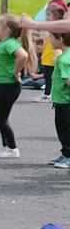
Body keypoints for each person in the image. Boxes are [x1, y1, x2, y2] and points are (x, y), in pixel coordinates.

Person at [0, 14, 36, 160]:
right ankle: (6, 147)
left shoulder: (10, 43)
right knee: (0, 118)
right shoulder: (5, 43)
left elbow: (23, 55)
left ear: (7, 30)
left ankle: (12, 148)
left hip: (7, 86)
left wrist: (15, 71)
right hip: (2, 85)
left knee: (1, 118)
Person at [33, 4, 66, 103]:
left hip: (52, 59)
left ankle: (48, 94)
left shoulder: (57, 29)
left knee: (49, 78)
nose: (46, 17)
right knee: (47, 77)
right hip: (46, 57)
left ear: (55, 16)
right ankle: (46, 93)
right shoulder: (49, 28)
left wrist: (57, 54)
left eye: (48, 14)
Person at [48, 33, 70, 168]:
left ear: (60, 39)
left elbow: (68, 80)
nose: (48, 40)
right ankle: (65, 153)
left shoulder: (62, 59)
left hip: (64, 101)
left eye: (51, 37)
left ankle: (68, 155)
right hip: (61, 100)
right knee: (62, 128)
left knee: (65, 129)